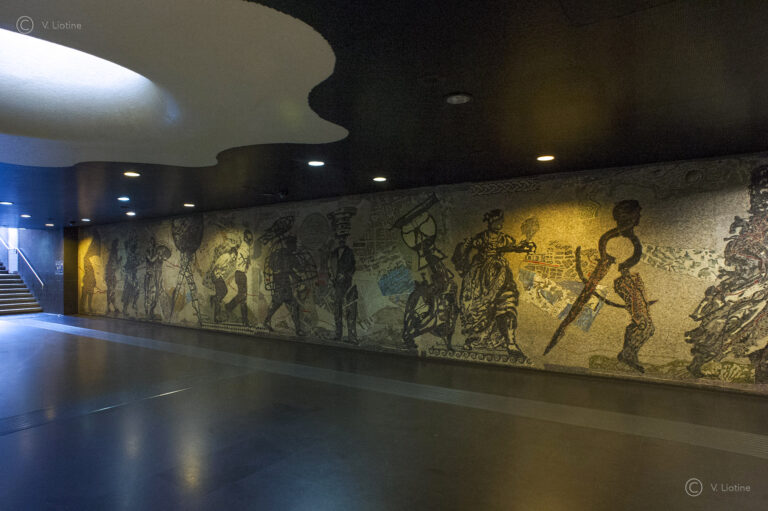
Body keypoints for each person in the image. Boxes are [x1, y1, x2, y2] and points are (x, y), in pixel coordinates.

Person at [453, 209, 536, 362]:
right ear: (490, 222)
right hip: (480, 277)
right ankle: (474, 338)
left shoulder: (504, 238)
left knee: (508, 304)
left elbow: (512, 247)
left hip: (501, 275)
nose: (500, 224)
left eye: (501, 221)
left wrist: (523, 247)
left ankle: (510, 342)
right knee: (478, 307)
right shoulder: (481, 237)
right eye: (497, 221)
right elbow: (465, 249)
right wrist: (464, 252)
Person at [225, 230, 253, 326]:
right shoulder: (244, 247)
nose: (250, 241)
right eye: (249, 238)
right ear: (245, 238)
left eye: (251, 239)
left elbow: (247, 262)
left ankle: (244, 320)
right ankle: (229, 306)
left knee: (243, 298)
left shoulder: (245, 247)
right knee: (242, 296)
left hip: (241, 274)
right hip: (240, 274)